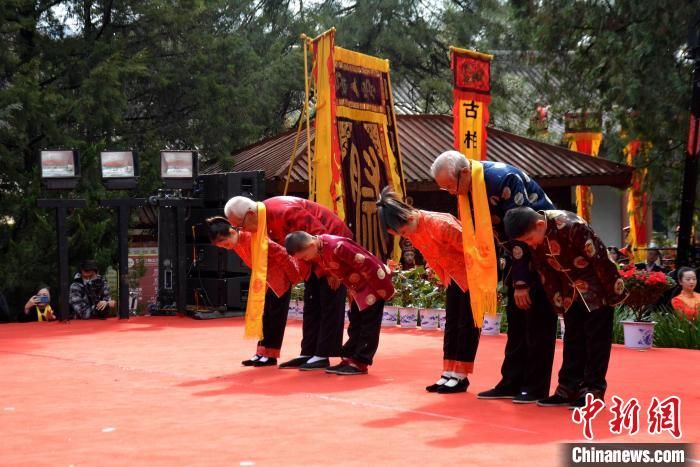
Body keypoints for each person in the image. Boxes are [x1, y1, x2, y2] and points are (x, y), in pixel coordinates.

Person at [430, 150, 558, 403]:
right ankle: (511, 381)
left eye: (450, 186)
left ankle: (535, 386)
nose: (452, 193)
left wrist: (522, 282)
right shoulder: (468, 190)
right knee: (516, 320)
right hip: (514, 256)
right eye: (444, 189)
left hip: (541, 250)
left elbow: (521, 232)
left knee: (536, 319)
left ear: (465, 173)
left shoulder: (504, 179)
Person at [503, 207, 628, 408]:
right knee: (572, 339)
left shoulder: (572, 226)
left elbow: (600, 259)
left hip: (596, 288)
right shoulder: (536, 236)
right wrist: (557, 300)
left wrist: (613, 293)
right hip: (568, 290)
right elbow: (545, 271)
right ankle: (568, 388)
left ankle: (593, 391)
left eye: (529, 239)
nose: (530, 244)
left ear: (540, 225)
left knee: (596, 341)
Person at [224, 195, 352, 371]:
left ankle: (323, 354)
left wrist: (334, 269)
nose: (241, 230)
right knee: (312, 302)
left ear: (251, 213)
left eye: (240, 225)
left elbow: (321, 237)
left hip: (334, 250)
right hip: (310, 257)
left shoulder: (285, 211)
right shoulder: (264, 217)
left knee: (329, 300)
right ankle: (308, 352)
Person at [377, 188, 480, 393]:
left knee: (465, 324)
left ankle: (461, 375)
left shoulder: (441, 223)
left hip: (471, 275)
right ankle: (449, 371)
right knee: (451, 324)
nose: (406, 236)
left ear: (408, 216)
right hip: (452, 277)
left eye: (404, 232)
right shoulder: (415, 229)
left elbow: (474, 250)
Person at [285, 231, 394, 375]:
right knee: (355, 321)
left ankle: (360, 362)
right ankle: (350, 358)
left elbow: (368, 263)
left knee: (368, 324)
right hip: (356, 288)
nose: (306, 259)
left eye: (305, 256)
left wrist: (382, 289)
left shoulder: (337, 246)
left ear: (311, 245)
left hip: (371, 284)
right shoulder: (320, 249)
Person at [206, 216, 307, 367]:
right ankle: (261, 352)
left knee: (275, 318)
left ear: (232, 232)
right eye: (224, 247)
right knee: (265, 317)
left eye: (226, 244)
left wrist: (294, 277)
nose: (228, 247)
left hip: (279, 279)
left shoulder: (254, 237)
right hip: (264, 280)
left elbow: (282, 254)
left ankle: (271, 355)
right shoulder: (237, 243)